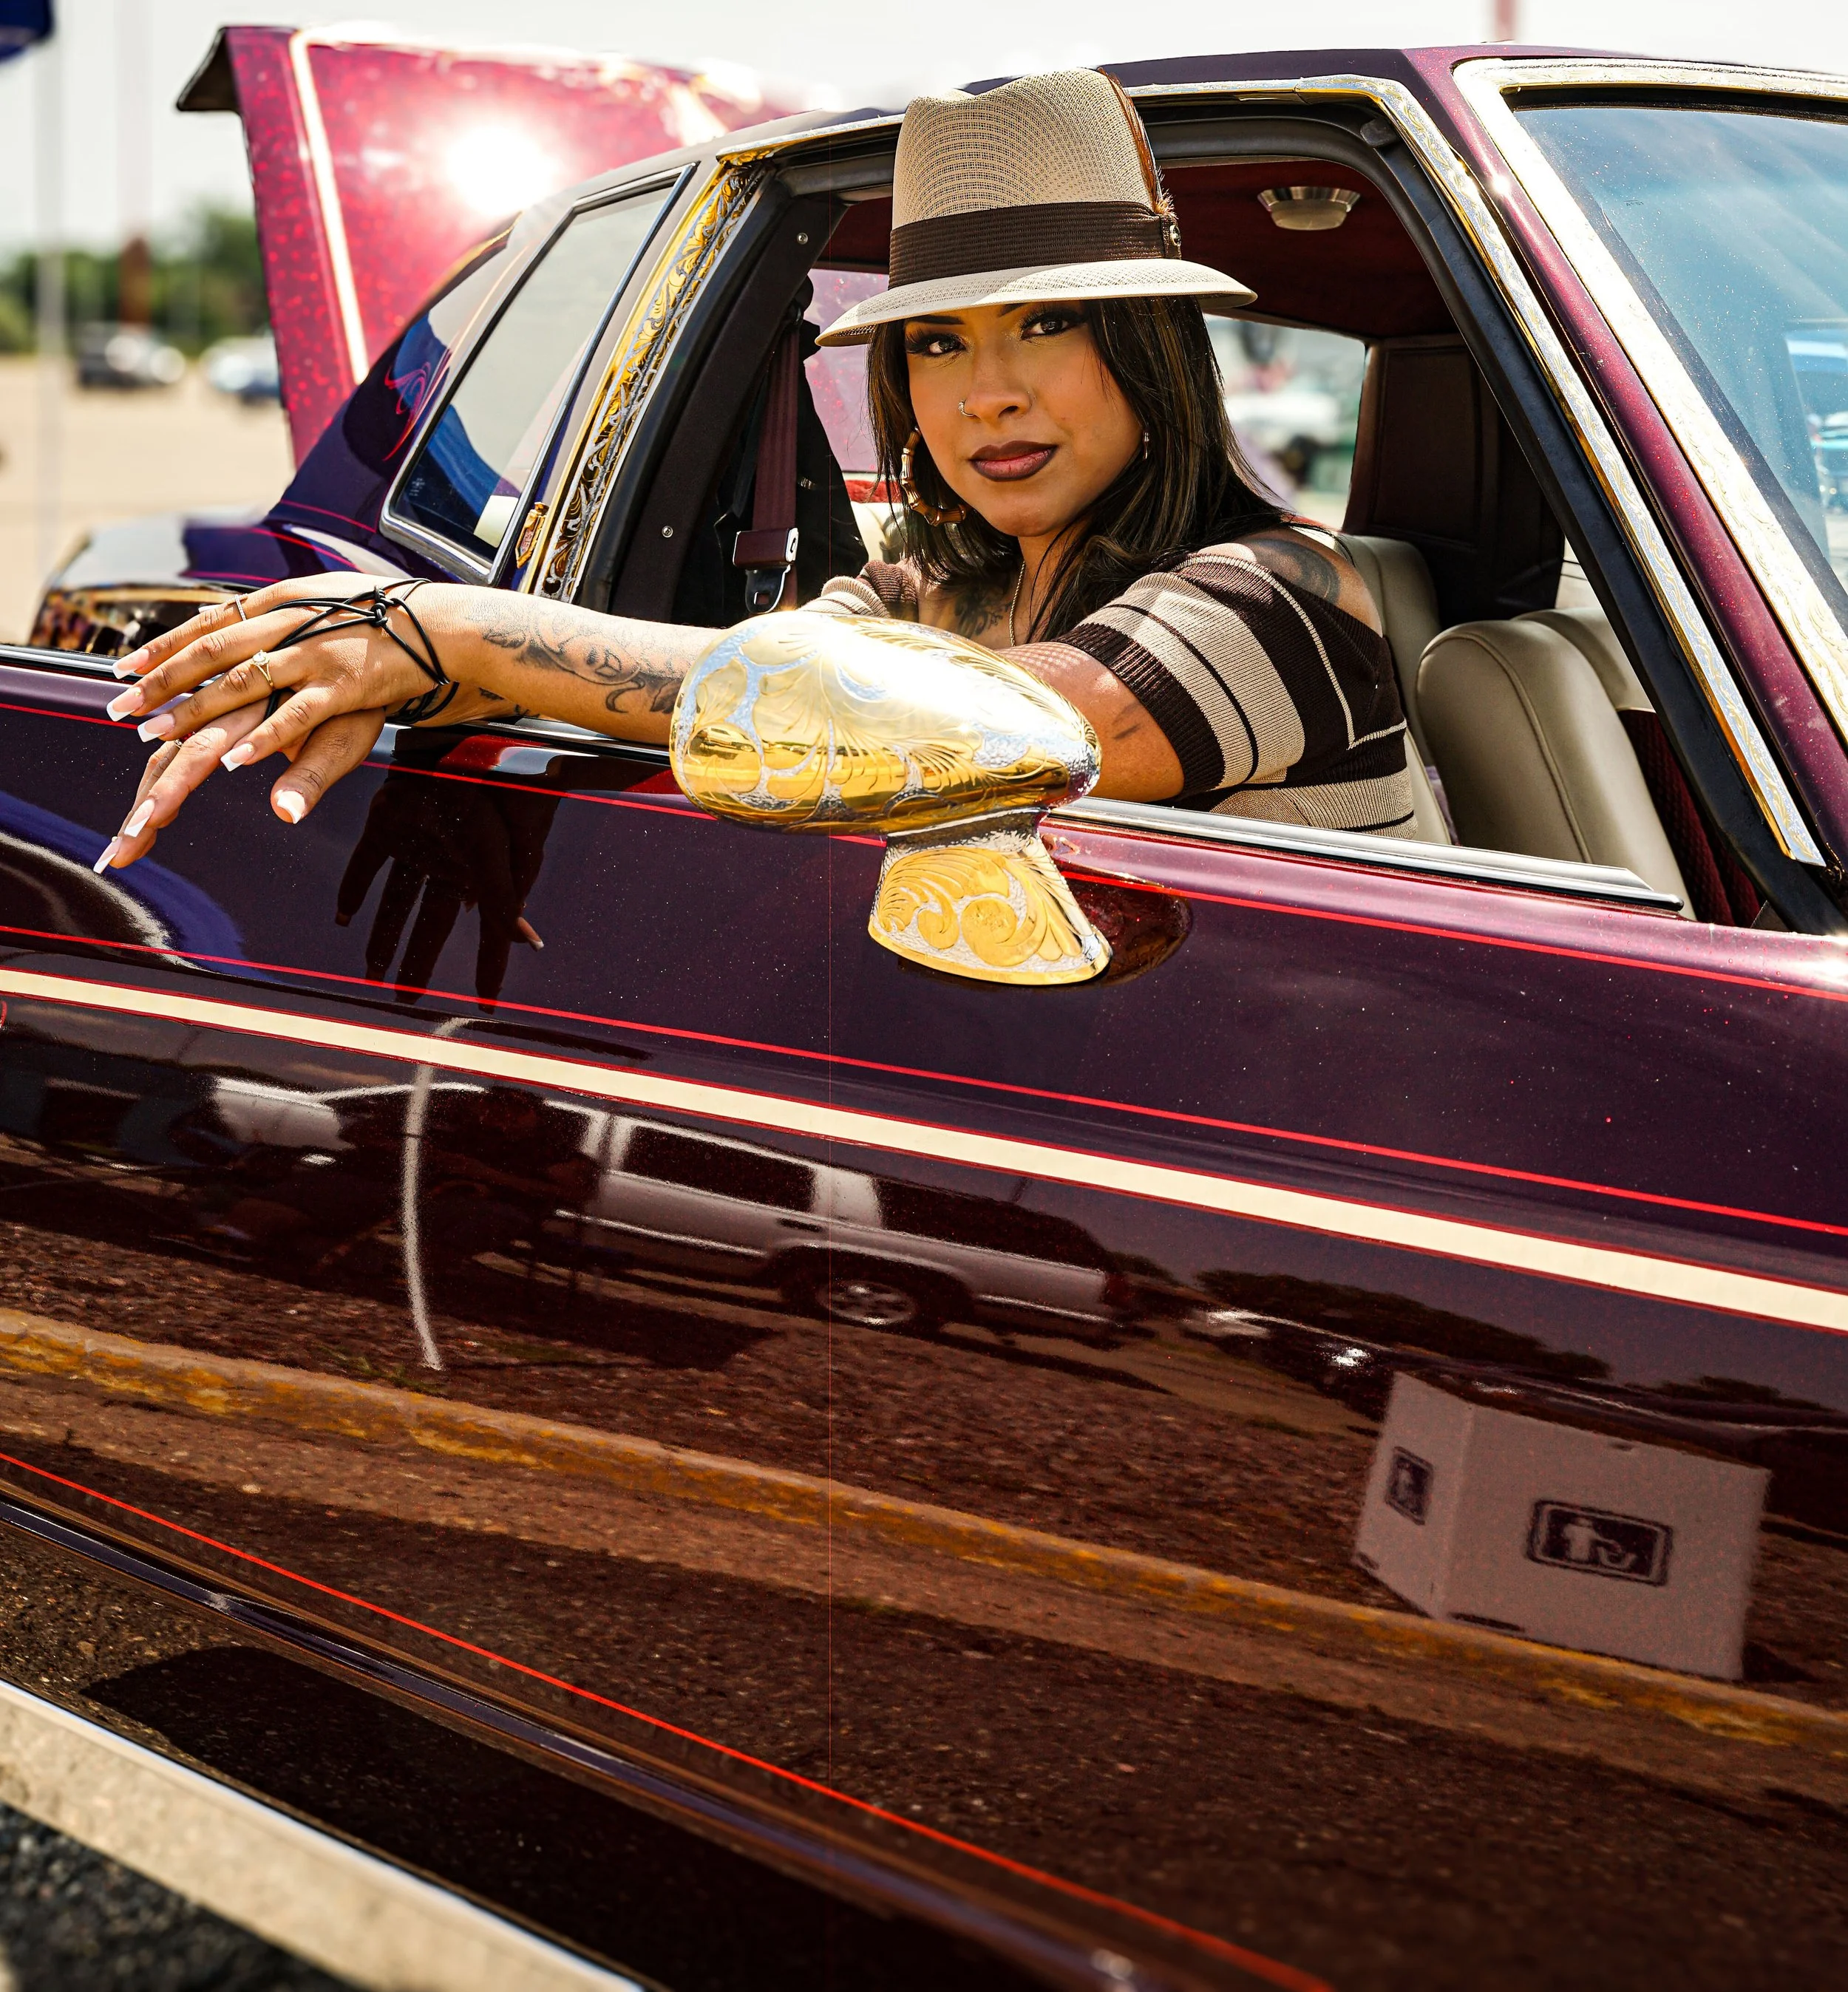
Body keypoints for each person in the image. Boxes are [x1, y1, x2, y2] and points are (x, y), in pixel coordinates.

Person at [93, 69, 1410, 874]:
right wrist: (421, 676)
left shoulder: (1280, 592)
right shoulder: (930, 588)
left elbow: (1003, 730)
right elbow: (772, 683)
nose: (986, 392)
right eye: (938, 340)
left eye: (1049, 324)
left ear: (1154, 350)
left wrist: (450, 629)